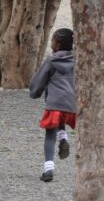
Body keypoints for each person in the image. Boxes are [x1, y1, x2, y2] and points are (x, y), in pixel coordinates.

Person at [28, 28, 77, 182]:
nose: (51, 44)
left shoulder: (51, 60)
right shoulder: (78, 60)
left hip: (55, 103)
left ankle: (48, 169)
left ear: (57, 44)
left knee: (50, 135)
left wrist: (34, 92)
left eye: (52, 41)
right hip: (72, 104)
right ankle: (63, 137)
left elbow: (38, 81)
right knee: (60, 117)